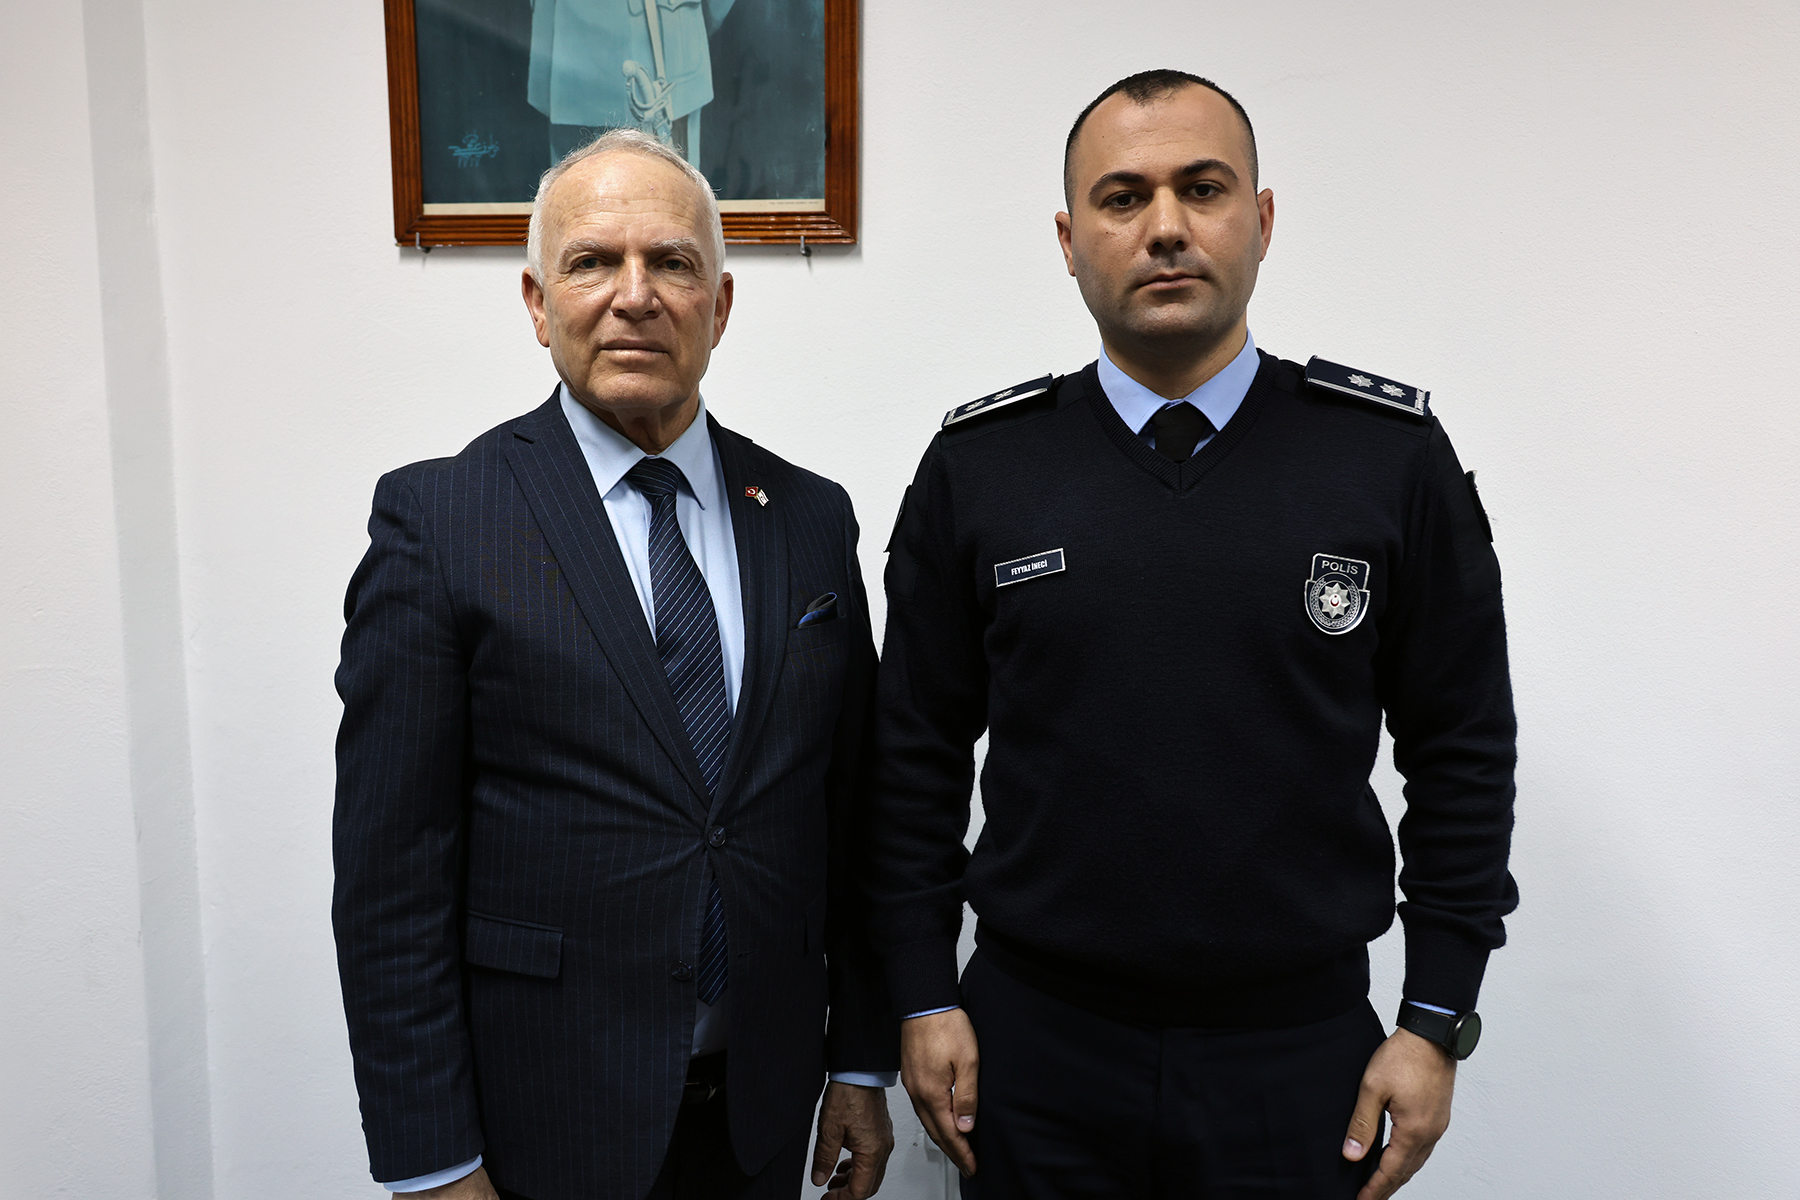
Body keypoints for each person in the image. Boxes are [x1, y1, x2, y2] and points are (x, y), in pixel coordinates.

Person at [868, 70, 1518, 1200]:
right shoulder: (982, 468)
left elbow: (1462, 749)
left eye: (1202, 189)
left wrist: (1434, 1016)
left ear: (1260, 221)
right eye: (1122, 198)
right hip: (1036, 1050)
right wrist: (922, 991)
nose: (1165, 227)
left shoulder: (1386, 460)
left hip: (1301, 1054)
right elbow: (909, 757)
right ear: (1069, 242)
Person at [333, 128, 896, 1200]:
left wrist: (860, 1062)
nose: (634, 296)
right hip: (542, 1124)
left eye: (672, 263)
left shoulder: (809, 517)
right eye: (592, 262)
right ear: (539, 304)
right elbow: (389, 882)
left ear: (718, 306)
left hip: (763, 1115)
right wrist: (433, 1162)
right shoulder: (441, 521)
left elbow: (856, 814)